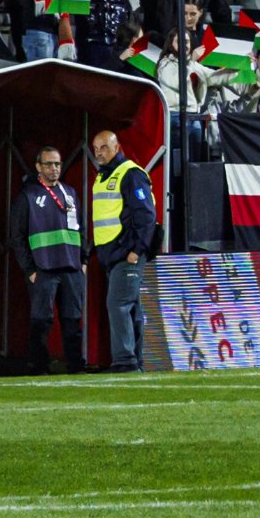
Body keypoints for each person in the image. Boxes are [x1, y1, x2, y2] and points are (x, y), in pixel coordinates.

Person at [86, 130, 159, 375]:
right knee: (130, 307)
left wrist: (137, 251)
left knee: (118, 304)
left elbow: (146, 216)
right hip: (114, 254)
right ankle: (134, 361)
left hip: (126, 253)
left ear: (117, 147)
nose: (99, 153)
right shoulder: (103, 176)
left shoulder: (130, 174)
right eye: (96, 148)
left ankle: (125, 361)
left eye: (104, 147)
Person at [17, 144, 90, 375]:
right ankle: (39, 366)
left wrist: (84, 260)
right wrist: (29, 268)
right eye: (48, 164)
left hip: (71, 267)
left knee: (72, 320)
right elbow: (17, 236)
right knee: (41, 320)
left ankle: (76, 366)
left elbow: (81, 228)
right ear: (38, 167)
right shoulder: (28, 196)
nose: (54, 168)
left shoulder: (70, 192)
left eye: (57, 163)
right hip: (43, 268)